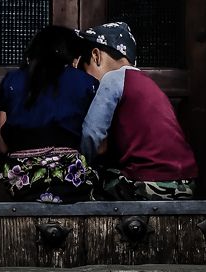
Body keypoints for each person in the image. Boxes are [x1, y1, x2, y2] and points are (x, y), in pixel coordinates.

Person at [78, 21, 198, 200]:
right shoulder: (149, 84)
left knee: (88, 187)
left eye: (84, 70)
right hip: (186, 182)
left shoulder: (113, 78)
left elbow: (91, 135)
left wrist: (79, 167)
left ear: (96, 56)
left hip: (150, 183)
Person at [0, 24, 99, 203]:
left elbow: (2, 146)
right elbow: (100, 143)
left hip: (22, 183)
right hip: (71, 181)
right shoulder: (86, 83)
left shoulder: (11, 81)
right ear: (73, 57)